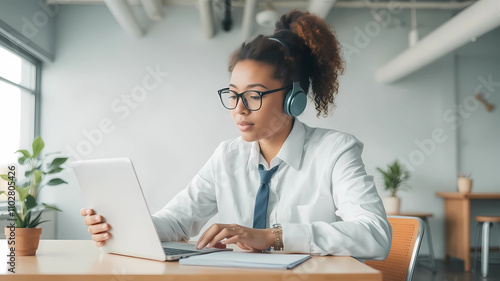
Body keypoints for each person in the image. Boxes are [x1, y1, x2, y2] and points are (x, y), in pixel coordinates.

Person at [81, 9, 391, 259]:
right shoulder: (227, 156)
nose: (238, 109)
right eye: (232, 94)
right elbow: (176, 220)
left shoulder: (334, 151)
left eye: (254, 95)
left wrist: (274, 236)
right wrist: (125, 225)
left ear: (292, 99)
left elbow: (375, 235)